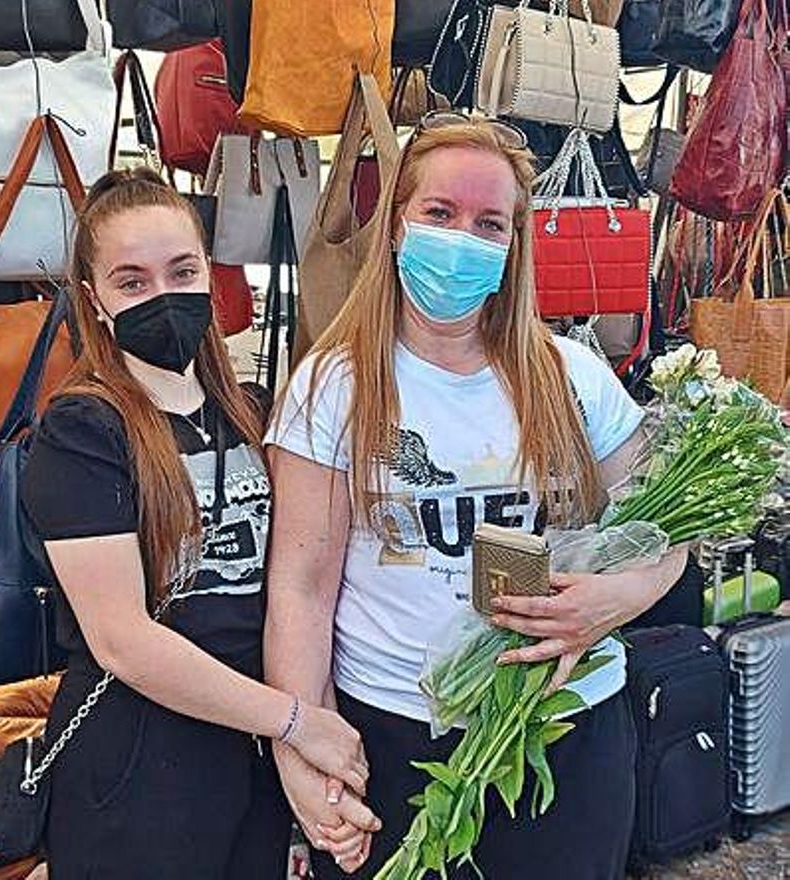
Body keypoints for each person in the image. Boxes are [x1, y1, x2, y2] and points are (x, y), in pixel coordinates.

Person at [264, 116, 688, 879]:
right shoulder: (333, 388)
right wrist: (302, 743)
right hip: (399, 736)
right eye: (440, 214)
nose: (463, 239)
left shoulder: (575, 377)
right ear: (396, 226)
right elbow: (299, 587)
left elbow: (667, 532)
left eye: (489, 223)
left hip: (567, 727)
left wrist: (614, 600)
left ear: (513, 245)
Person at [20, 167, 369, 879]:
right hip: (140, 760)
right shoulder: (84, 429)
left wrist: (295, 739)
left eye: (182, 271)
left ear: (210, 273)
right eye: (133, 281)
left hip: (246, 751)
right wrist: (297, 723)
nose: (164, 297)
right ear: (95, 300)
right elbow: (123, 641)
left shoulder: (246, 407)